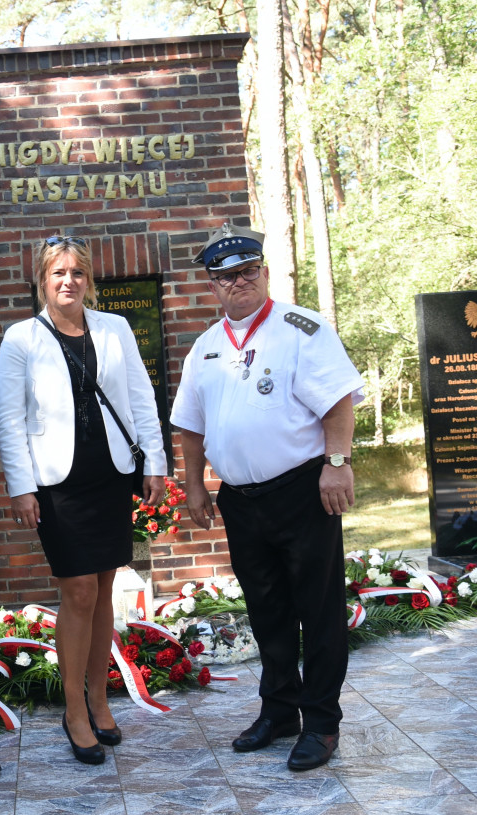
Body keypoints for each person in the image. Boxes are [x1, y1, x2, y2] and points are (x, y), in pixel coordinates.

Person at [170, 224, 364, 771]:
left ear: (264, 271)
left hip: (303, 492)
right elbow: (190, 425)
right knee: (267, 611)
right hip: (241, 500)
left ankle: (321, 722)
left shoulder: (302, 328)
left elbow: (337, 402)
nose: (238, 282)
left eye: (247, 270)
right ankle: (279, 711)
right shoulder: (205, 347)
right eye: (225, 276)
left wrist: (337, 463)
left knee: (318, 610)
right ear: (211, 284)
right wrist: (193, 485)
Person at [0, 235, 167, 765]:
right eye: (57, 273)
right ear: (42, 281)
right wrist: (20, 486)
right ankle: (74, 710)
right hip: (56, 482)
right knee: (79, 591)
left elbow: (141, 397)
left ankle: (99, 696)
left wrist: (155, 463)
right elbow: (10, 417)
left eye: (76, 273)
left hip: (111, 474)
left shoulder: (115, 329)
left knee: (106, 584)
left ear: (88, 280)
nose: (67, 281)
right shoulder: (20, 337)